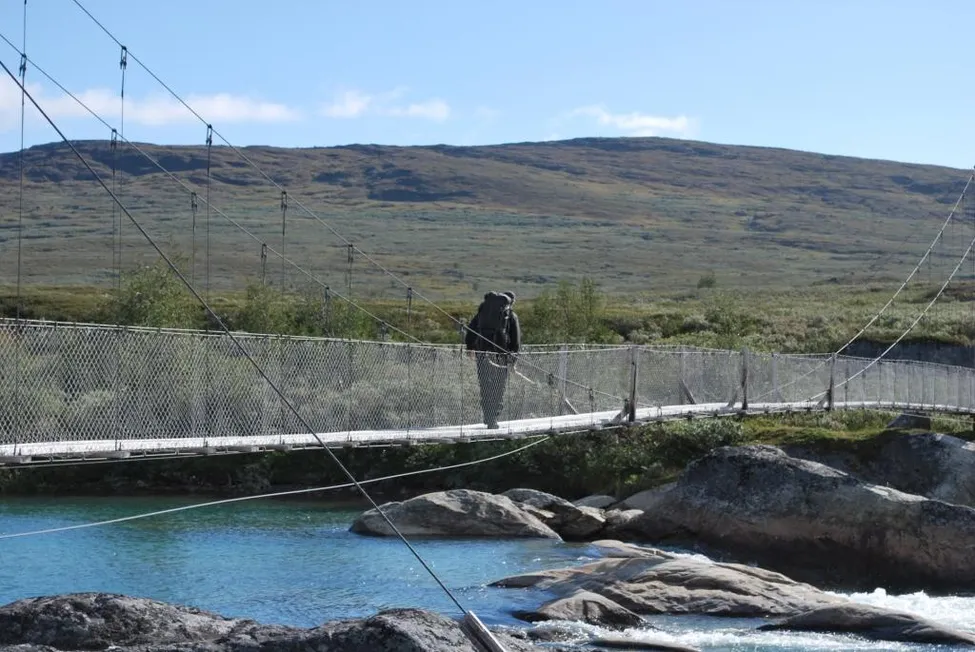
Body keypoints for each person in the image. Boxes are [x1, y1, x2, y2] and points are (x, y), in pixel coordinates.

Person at [464, 290, 521, 429]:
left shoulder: (483, 313)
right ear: (511, 302)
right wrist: (513, 361)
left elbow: (471, 330)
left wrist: (470, 347)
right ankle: (493, 419)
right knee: (498, 387)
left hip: (482, 353)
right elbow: (516, 341)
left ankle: (487, 416)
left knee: (485, 385)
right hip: (501, 356)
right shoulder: (510, 315)